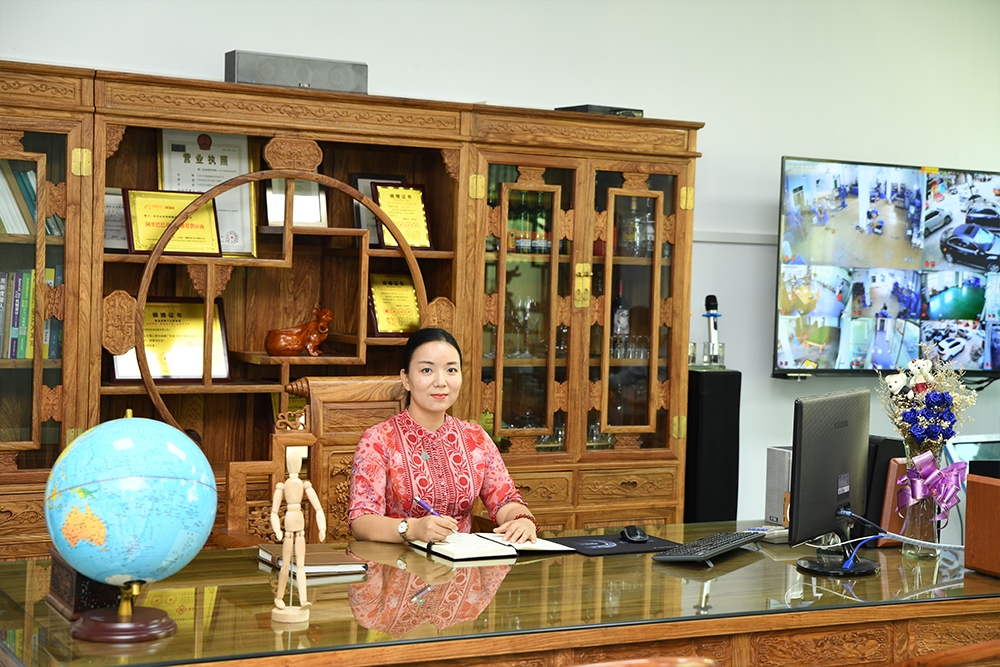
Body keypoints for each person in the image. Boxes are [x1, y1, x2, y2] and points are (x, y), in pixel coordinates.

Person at [348, 327, 538, 545]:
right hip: (398, 561)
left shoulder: (476, 438)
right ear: (406, 379)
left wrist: (522, 520)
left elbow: (505, 500)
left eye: (451, 370)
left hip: (462, 561)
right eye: (427, 370)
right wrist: (413, 528)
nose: (441, 381)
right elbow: (361, 521)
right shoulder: (378, 440)